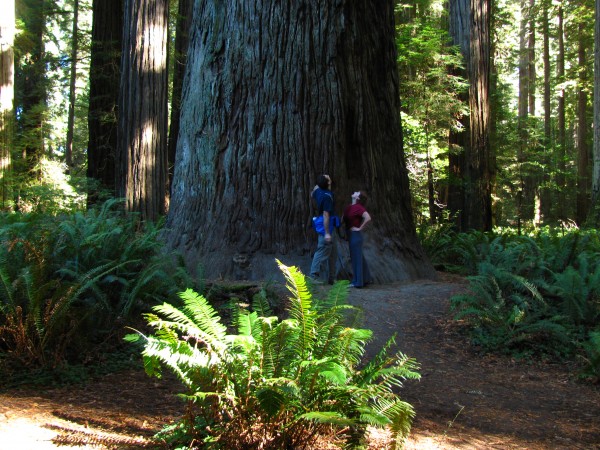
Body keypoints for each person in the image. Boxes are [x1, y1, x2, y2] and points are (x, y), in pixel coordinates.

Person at [309, 174, 337, 284]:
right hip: (326, 226)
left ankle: (332, 278)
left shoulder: (317, 191)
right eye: (329, 178)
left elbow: (313, 192)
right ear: (328, 183)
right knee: (322, 249)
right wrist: (327, 233)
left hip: (327, 225)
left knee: (333, 252)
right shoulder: (327, 197)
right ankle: (313, 276)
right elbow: (326, 215)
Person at [343, 190, 372, 288]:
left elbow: (368, 217)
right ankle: (366, 278)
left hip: (356, 235)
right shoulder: (349, 207)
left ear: (357, 198)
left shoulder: (358, 208)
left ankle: (358, 282)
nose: (354, 192)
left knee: (356, 258)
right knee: (359, 257)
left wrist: (360, 228)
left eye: (357, 192)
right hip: (350, 235)